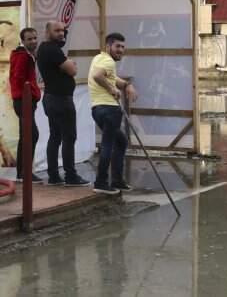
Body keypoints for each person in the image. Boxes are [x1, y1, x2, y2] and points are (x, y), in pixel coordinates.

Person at [36, 21, 90, 186]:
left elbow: (68, 68)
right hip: (60, 100)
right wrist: (70, 63)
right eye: (57, 30)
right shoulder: (52, 49)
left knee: (55, 136)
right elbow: (72, 70)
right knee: (68, 137)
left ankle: (54, 176)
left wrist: (68, 63)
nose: (61, 33)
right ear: (47, 32)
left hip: (53, 98)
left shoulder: (47, 49)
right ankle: (70, 176)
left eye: (63, 30)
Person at [88, 32, 137, 194]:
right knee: (108, 145)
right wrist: (111, 89)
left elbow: (113, 78)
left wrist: (126, 85)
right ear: (108, 46)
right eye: (117, 46)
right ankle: (101, 182)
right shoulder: (108, 61)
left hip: (98, 109)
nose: (121, 50)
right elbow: (97, 76)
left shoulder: (99, 58)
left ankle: (117, 180)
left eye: (123, 47)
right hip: (109, 109)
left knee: (120, 141)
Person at [9, 28, 42, 183]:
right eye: (29, 39)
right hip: (24, 101)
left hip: (24, 100)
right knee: (31, 135)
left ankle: (22, 173)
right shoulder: (23, 57)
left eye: (35, 38)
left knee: (26, 136)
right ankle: (24, 172)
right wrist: (28, 92)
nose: (33, 41)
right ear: (23, 41)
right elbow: (17, 78)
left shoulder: (25, 55)